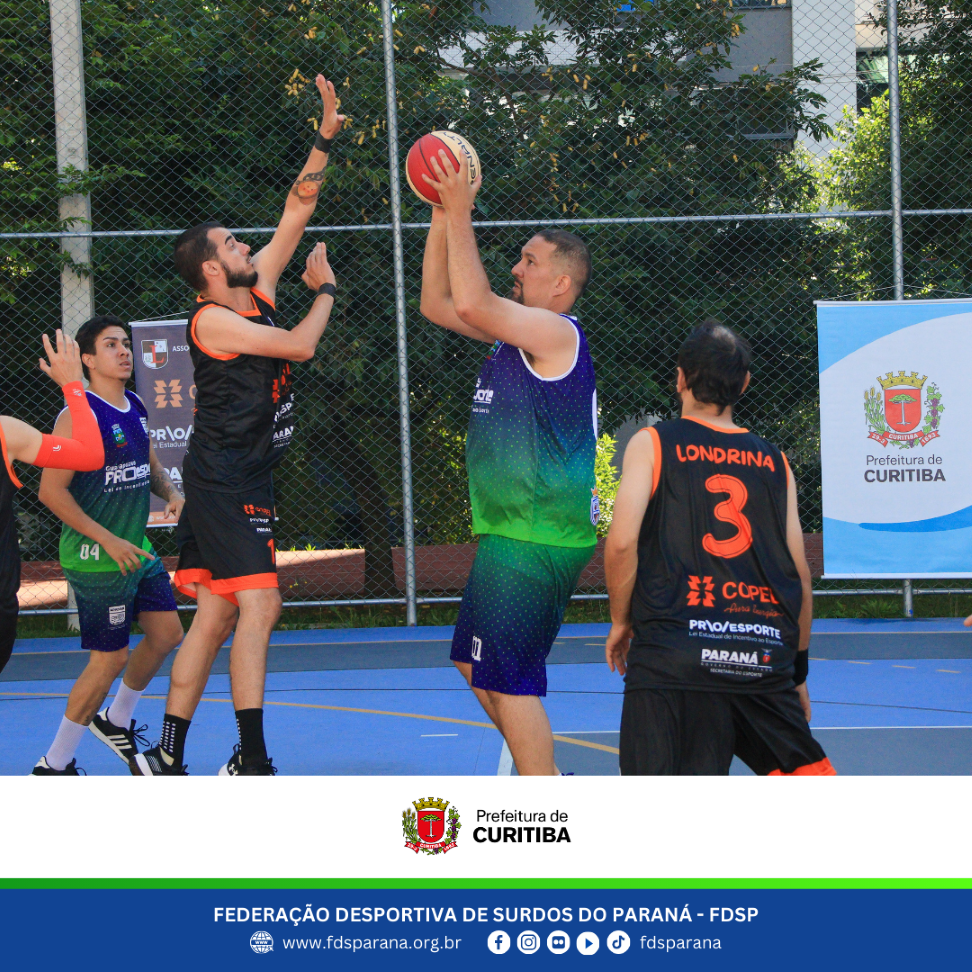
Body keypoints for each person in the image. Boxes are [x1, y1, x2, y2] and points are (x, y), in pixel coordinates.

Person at [135, 74, 343, 777]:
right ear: (210, 267)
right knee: (262, 604)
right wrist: (327, 291)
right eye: (231, 243)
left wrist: (323, 137)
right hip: (223, 479)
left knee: (219, 613)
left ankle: (167, 754)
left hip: (243, 473)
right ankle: (251, 758)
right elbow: (302, 346)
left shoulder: (257, 292)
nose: (244, 244)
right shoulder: (213, 320)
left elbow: (297, 208)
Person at [419, 150, 598, 776]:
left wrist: (461, 210)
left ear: (561, 284)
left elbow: (471, 302)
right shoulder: (515, 337)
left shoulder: (558, 334)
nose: (516, 268)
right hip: (512, 533)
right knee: (473, 665)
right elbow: (438, 302)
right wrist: (440, 215)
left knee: (510, 677)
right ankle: (544, 776)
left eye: (530, 261)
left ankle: (546, 795)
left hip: (537, 533)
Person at [604, 321, 835, 776]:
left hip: (672, 657)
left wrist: (620, 620)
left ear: (680, 378)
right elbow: (800, 577)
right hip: (759, 657)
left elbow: (623, 541)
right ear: (744, 384)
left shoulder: (653, 444)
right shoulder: (775, 460)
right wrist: (797, 672)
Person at [33, 316, 185, 775]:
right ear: (88, 359)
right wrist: (108, 539)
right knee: (110, 659)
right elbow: (51, 492)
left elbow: (148, 466)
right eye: (110, 345)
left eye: (124, 343)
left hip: (134, 548)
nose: (123, 351)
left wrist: (172, 493)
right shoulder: (76, 416)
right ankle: (53, 765)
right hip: (97, 558)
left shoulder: (135, 404)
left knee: (167, 635)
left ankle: (114, 719)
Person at [1, 331, 105, 675]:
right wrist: (73, 386)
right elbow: (91, 455)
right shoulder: (7, 432)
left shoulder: (6, 433)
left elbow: (90, 456)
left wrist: (74, 386)